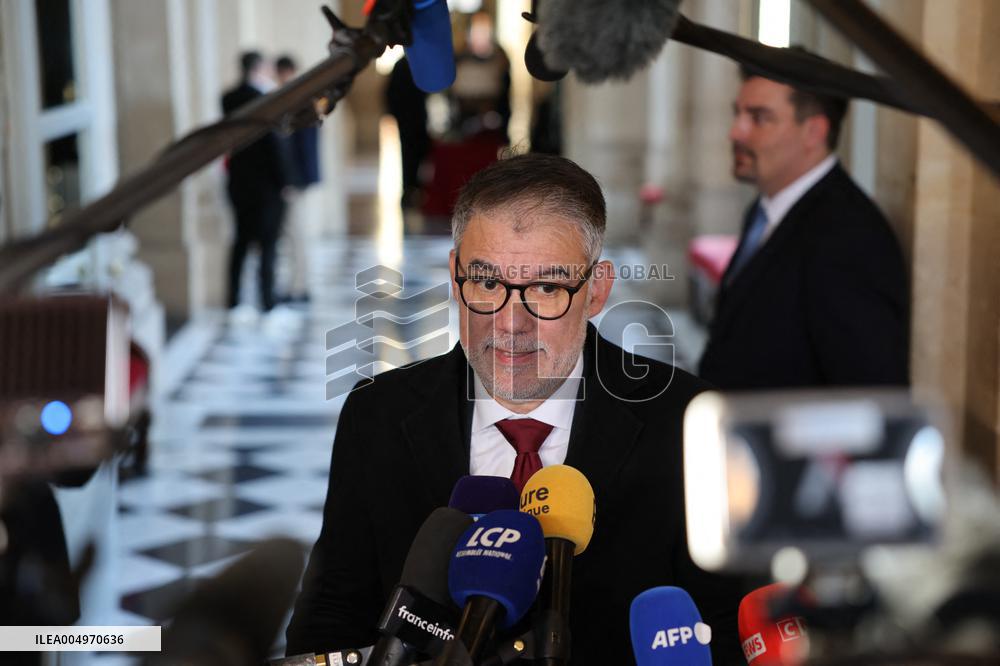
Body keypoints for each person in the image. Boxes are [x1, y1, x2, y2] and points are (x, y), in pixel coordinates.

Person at [286, 154, 744, 664]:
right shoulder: (376, 417)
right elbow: (329, 619)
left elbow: (728, 626)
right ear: (455, 273)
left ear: (597, 289)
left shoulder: (692, 423)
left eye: (547, 288)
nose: (509, 322)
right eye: (486, 282)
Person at [698, 63, 909, 389]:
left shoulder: (848, 236)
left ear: (814, 132)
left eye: (759, 118)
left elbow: (868, 392)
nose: (736, 132)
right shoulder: (765, 207)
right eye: (737, 113)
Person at [221, 51, 290, 313]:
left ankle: (234, 298)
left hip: (238, 180)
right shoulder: (262, 99)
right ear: (258, 69)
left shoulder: (228, 97)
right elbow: (274, 146)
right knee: (268, 243)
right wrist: (286, 180)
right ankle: (267, 299)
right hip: (266, 184)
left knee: (241, 239)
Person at [274, 54, 320, 303]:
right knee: (292, 234)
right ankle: (296, 285)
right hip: (294, 178)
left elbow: (299, 147)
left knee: (296, 234)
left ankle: (299, 287)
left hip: (295, 179)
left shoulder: (299, 100)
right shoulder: (299, 97)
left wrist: (292, 180)